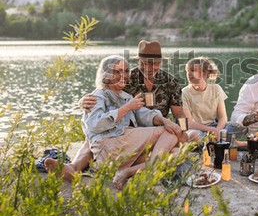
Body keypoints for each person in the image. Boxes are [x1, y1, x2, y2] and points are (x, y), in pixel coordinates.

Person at [45, 40, 191, 180]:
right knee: (93, 136)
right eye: (145, 63)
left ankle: (127, 170)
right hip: (123, 129)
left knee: (175, 150)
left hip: (153, 127)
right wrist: (82, 102)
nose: (150, 67)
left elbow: (179, 114)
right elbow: (102, 93)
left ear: (161, 63)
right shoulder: (128, 76)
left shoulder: (170, 81)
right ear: (138, 62)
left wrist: (182, 131)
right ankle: (75, 167)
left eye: (155, 64)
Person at [182, 57, 228, 140]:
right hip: (196, 129)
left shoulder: (216, 89)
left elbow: (223, 118)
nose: (188, 74)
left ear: (204, 73)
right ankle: (224, 141)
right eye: (187, 71)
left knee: (235, 127)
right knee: (194, 135)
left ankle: (213, 141)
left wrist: (217, 130)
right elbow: (189, 123)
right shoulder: (184, 93)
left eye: (192, 70)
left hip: (214, 127)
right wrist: (211, 130)